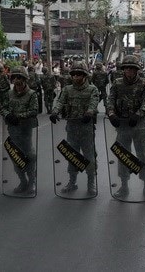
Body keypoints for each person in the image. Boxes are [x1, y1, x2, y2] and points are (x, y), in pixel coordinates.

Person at [106, 55, 145, 199]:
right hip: (122, 125)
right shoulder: (117, 83)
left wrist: (139, 114)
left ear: (137, 70)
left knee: (143, 155)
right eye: (126, 68)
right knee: (123, 156)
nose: (129, 71)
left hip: (138, 125)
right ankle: (124, 186)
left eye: (132, 68)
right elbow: (110, 100)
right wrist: (112, 114)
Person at [50, 62, 99, 195]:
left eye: (79, 74)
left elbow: (94, 102)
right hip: (71, 127)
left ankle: (91, 183)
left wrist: (89, 113)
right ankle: (72, 182)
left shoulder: (92, 89)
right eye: (74, 74)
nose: (76, 77)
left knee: (89, 156)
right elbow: (60, 102)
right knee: (72, 156)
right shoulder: (67, 89)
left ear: (84, 75)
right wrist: (54, 112)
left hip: (86, 128)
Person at [0, 66, 38, 195]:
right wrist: (7, 115)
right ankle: (22, 181)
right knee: (16, 156)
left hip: (26, 129)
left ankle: (32, 182)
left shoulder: (32, 94)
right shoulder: (9, 94)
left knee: (29, 155)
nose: (17, 80)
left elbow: (34, 111)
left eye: (19, 77)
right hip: (13, 129)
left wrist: (19, 116)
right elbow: (3, 107)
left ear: (25, 79)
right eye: (14, 77)